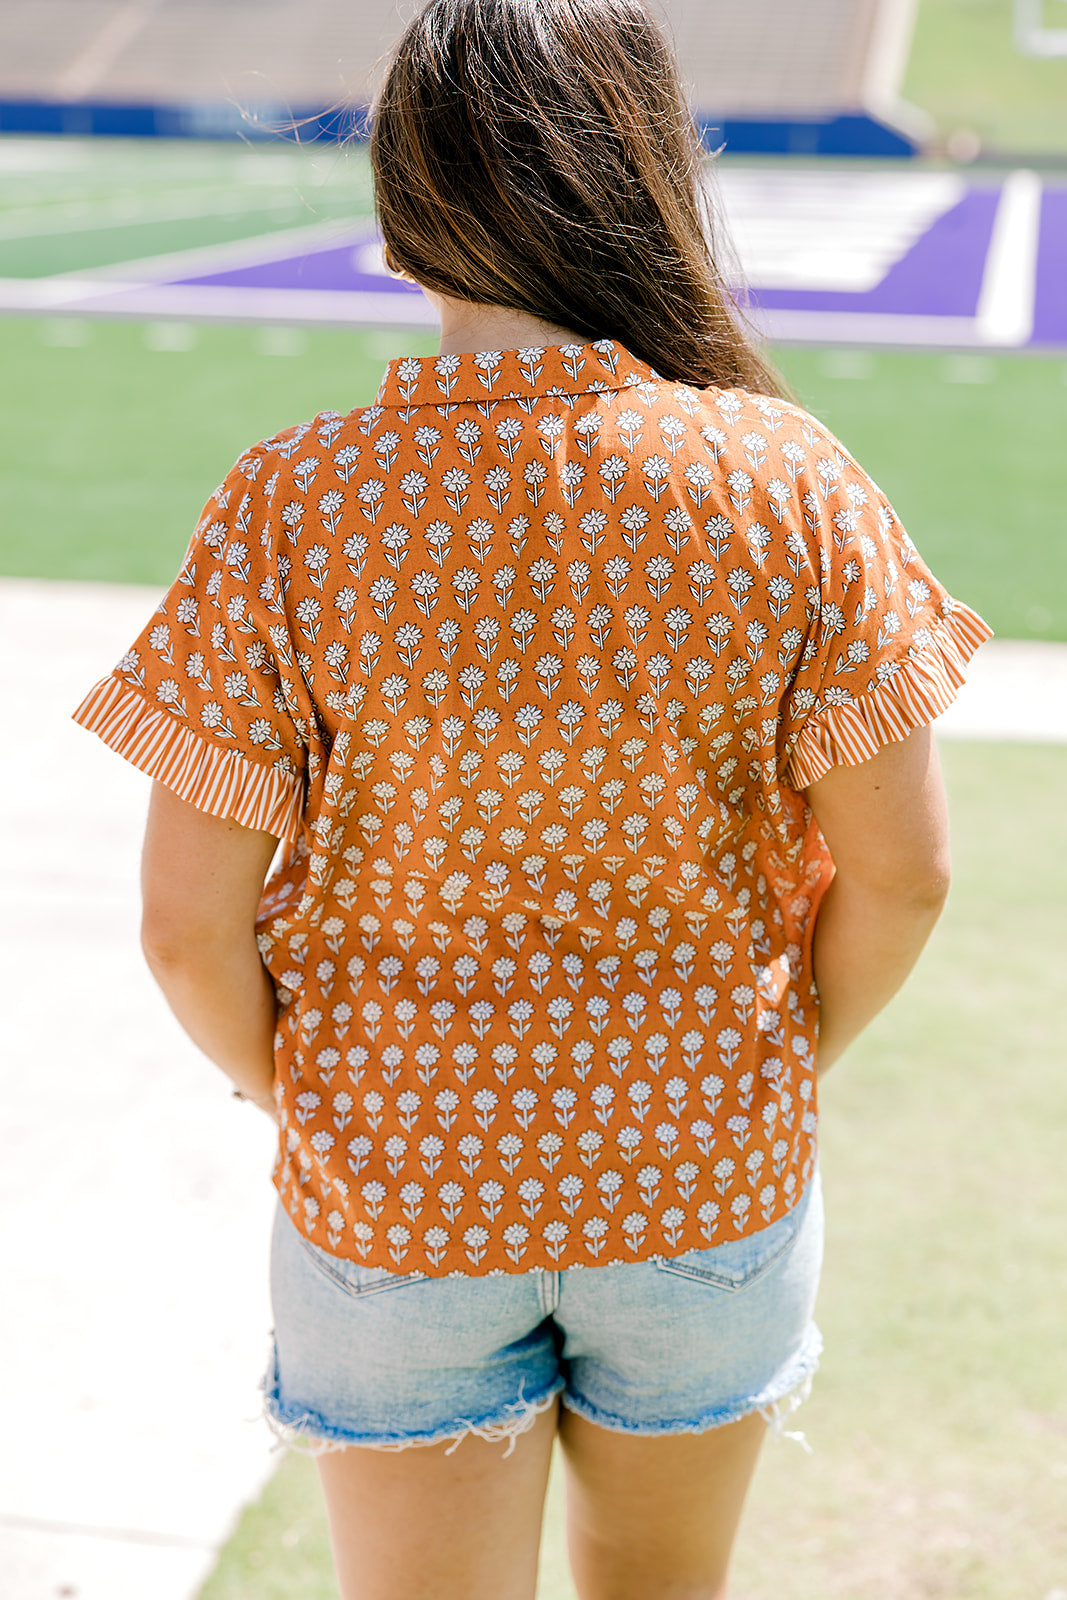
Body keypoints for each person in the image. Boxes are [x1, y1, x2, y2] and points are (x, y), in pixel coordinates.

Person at [73, 1, 992, 1595]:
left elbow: (181, 928)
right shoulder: (786, 479)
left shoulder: (295, 503)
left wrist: (310, 1097)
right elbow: (903, 875)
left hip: (400, 1184)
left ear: (402, 209)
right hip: (702, 1167)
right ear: (651, 179)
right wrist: (778, 1061)